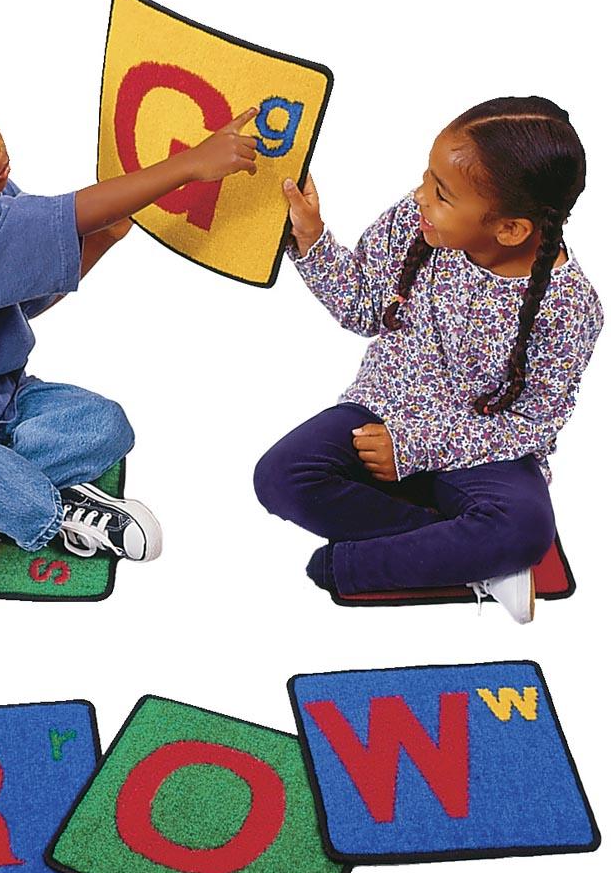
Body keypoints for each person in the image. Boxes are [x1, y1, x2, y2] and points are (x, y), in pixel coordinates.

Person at [0, 50, 258, 593]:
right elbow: (72, 210)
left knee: (104, 424)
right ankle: (53, 515)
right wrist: (187, 165)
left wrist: (104, 238)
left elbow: (31, 298)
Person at [253, 97, 602, 623]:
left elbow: (534, 422)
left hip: (484, 449)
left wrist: (414, 448)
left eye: (440, 194)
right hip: (383, 413)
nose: (419, 196)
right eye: (426, 179)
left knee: (524, 528)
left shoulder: (571, 306)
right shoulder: (419, 224)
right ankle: (471, 554)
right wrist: (311, 237)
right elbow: (365, 307)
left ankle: (373, 562)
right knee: (280, 477)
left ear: (511, 230)